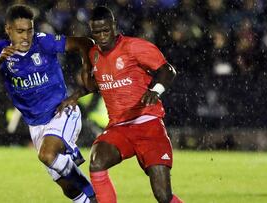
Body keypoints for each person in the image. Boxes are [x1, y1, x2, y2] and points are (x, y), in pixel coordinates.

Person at [60, 6, 183, 203]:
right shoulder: (94, 54)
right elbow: (98, 84)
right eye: (96, 32)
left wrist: (155, 90)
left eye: (105, 30)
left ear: (114, 26)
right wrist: (76, 95)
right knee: (97, 161)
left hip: (148, 123)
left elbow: (168, 70)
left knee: (163, 196)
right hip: (120, 127)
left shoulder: (134, 47)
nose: (101, 36)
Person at [0, 4, 96, 203]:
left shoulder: (43, 42)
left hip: (62, 112)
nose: (26, 36)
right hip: (36, 125)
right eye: (20, 31)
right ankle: (89, 199)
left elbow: (85, 43)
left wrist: (87, 72)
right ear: (8, 30)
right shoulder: (0, 50)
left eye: (29, 30)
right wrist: (0, 60)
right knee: (67, 187)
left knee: (47, 155)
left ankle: (94, 193)